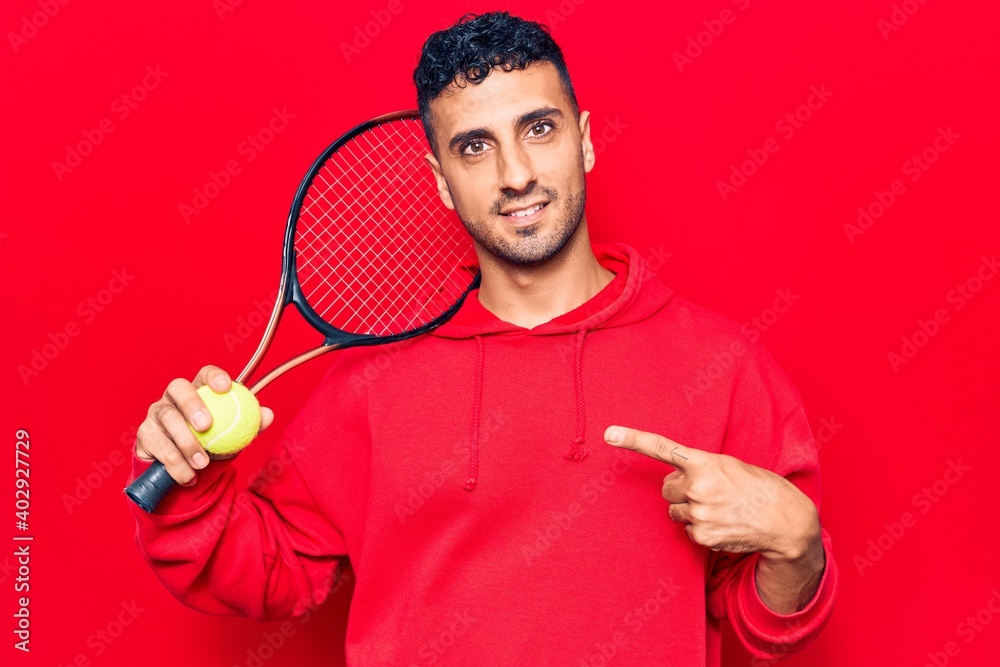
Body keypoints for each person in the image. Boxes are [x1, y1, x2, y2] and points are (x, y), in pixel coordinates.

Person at [129, 11, 838, 666]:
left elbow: (762, 623)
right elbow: (272, 573)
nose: (516, 174)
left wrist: (797, 544)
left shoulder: (722, 366)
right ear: (442, 182)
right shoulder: (369, 382)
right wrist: (187, 486)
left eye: (539, 128)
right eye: (475, 147)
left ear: (584, 139)